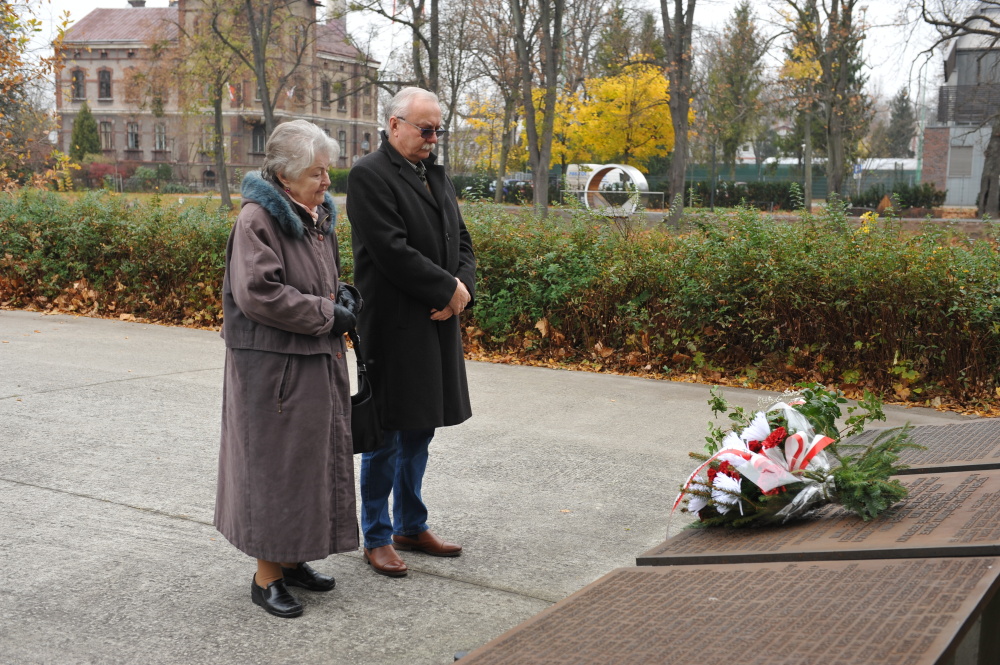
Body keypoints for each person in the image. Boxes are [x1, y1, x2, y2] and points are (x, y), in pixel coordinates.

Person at [215, 120, 361, 618]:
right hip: (273, 373)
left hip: (311, 363)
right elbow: (259, 293)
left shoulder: (315, 216)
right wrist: (326, 314)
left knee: (308, 466)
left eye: (327, 171)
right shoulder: (258, 219)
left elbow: (318, 279)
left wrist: (340, 297)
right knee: (273, 471)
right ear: (283, 174)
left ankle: (294, 560)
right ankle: (266, 577)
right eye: (316, 172)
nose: (326, 181)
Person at [346, 87, 476, 577]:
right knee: (386, 434)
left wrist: (460, 288)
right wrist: (446, 290)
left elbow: (461, 240)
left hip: (437, 320)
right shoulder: (368, 175)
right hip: (396, 326)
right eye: (425, 129)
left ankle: (409, 524)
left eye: (438, 129)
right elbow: (391, 250)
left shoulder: (434, 173)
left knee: (421, 428)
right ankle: (376, 535)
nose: (433, 138)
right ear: (394, 124)